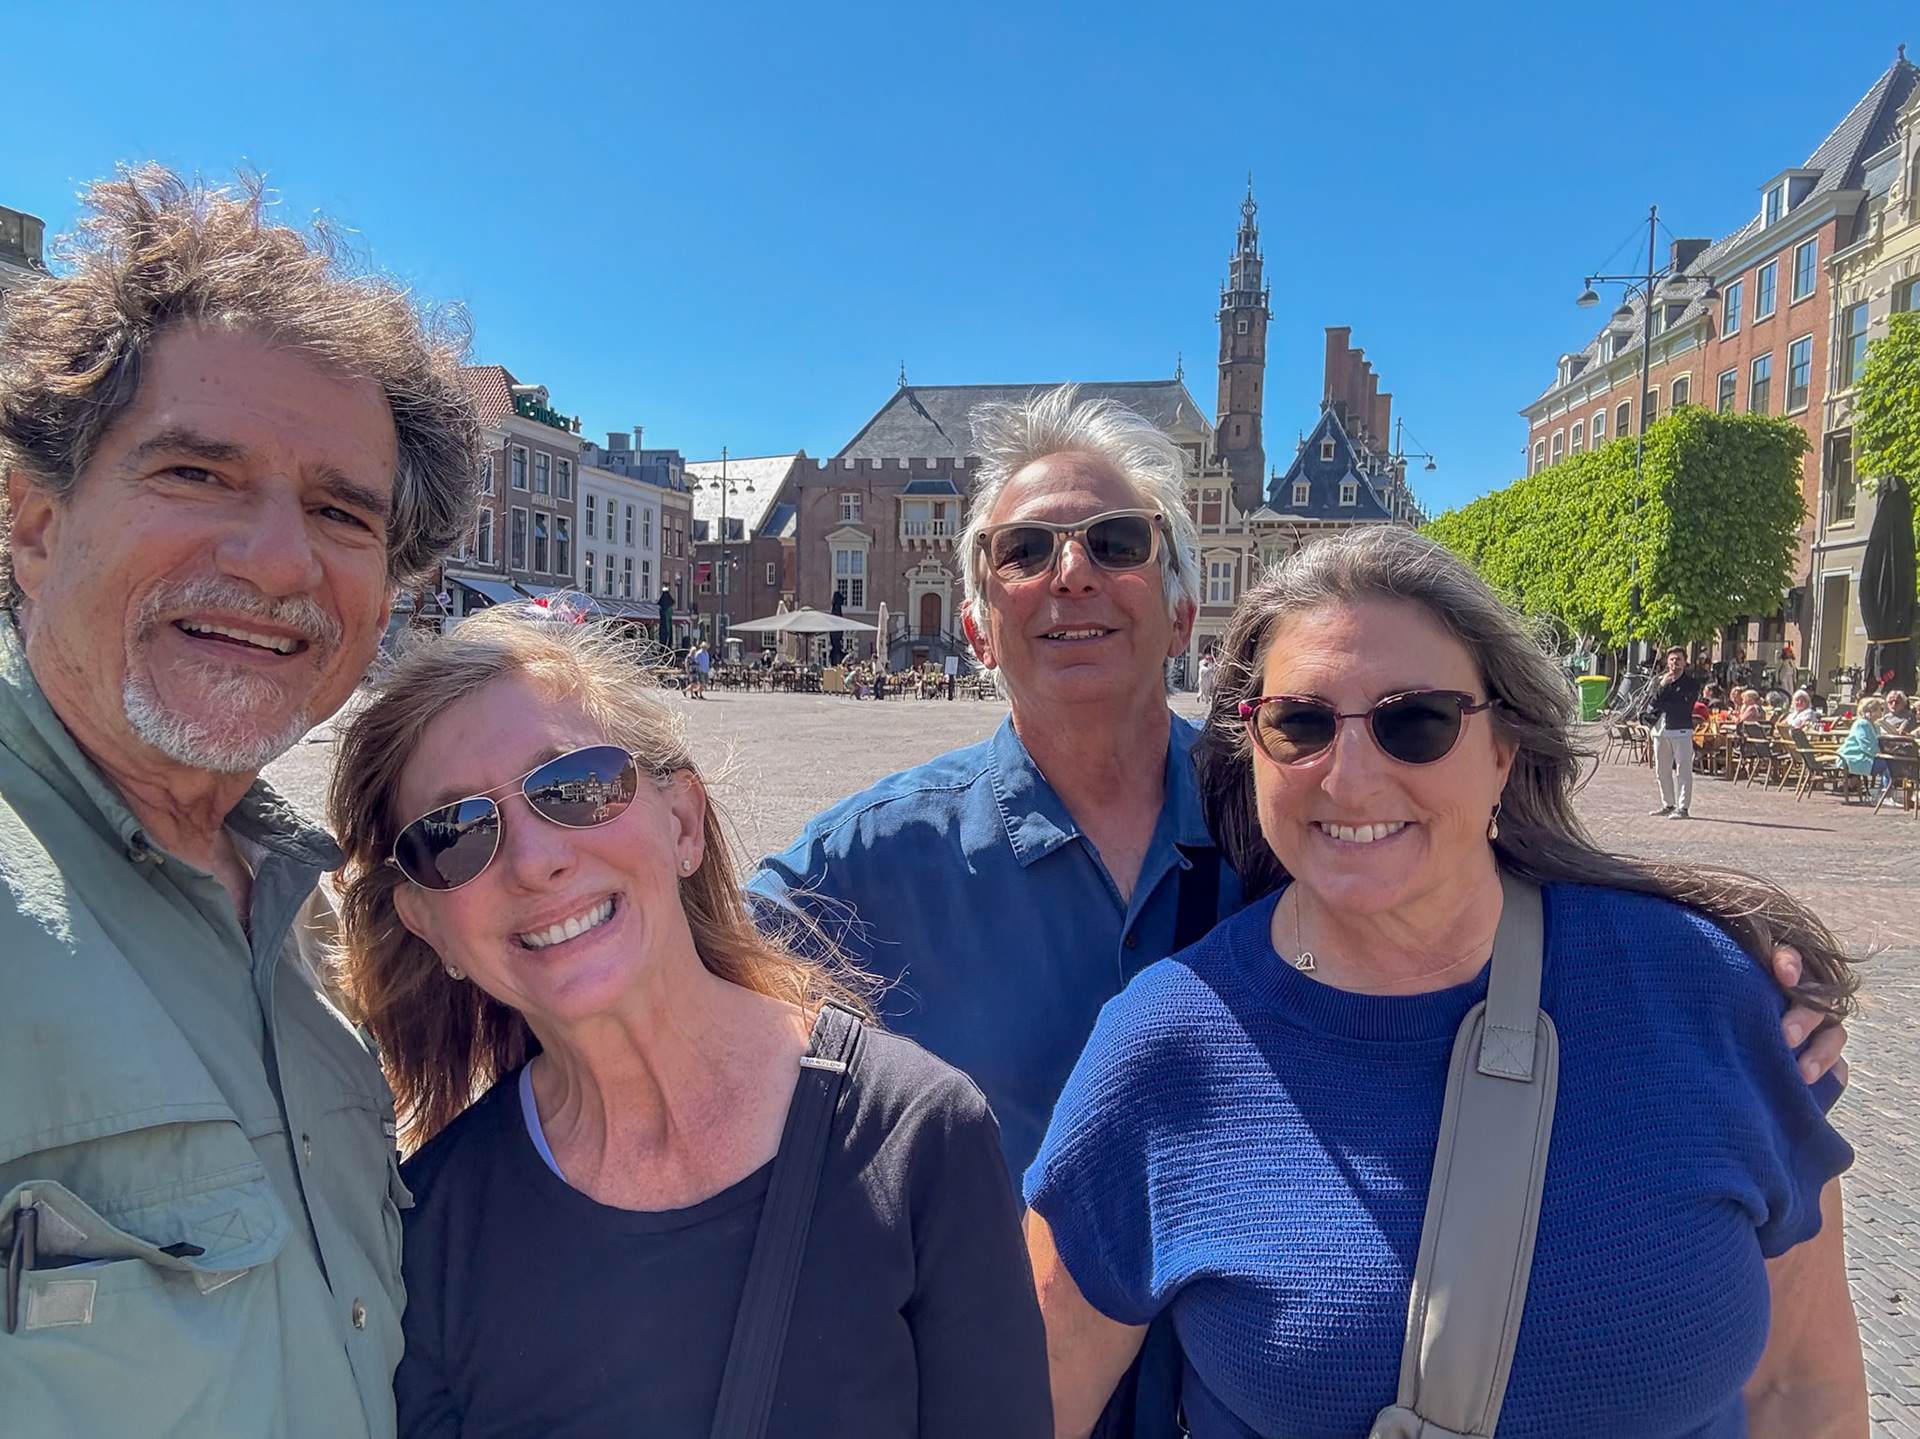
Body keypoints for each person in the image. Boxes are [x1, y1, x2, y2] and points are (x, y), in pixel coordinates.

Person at [748, 387, 1846, 1433]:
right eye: (1024, 551)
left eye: (1116, 542)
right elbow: (681, 979)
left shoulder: (1305, 824)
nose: (1353, 772)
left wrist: (1724, 963)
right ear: (979, 620)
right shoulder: (878, 860)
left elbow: (1808, 1386)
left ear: (1183, 604)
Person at [1025, 527, 1865, 1438]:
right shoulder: (1167, 1044)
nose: (1349, 778)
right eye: (1299, 723)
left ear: (1503, 748)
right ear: (1252, 748)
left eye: (1414, 721)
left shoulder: (1708, 992)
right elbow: (1032, 1404)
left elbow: (1801, 1387)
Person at [0, 167, 479, 1437]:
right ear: (34, 520)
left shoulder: (318, 928)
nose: (277, 559)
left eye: (340, 510)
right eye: (198, 475)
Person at [327, 608, 1050, 1439]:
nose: (535, 860)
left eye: (574, 786)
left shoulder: (916, 1137)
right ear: (428, 925)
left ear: (682, 822)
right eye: (454, 835)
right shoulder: (432, 1232)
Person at [1645, 646, 1703, 818]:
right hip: (1660, 729)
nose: (1674, 663)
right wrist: (1663, 686)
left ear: (1685, 662)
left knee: (1683, 769)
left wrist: (1665, 698)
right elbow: (1652, 703)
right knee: (1661, 769)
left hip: (1680, 729)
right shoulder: (1661, 682)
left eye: (1678, 659)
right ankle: (1668, 804)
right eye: (1671, 659)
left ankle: (1683, 807)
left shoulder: (1691, 683)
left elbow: (1683, 704)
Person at [1837, 695, 1892, 795]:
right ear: (1873, 710)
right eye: (1881, 709)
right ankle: (1884, 794)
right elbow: (1866, 746)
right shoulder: (1862, 724)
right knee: (1890, 766)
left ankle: (1883, 793)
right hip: (1854, 757)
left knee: (1893, 763)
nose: (1883, 712)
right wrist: (1882, 753)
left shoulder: (1873, 725)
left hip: (1865, 756)